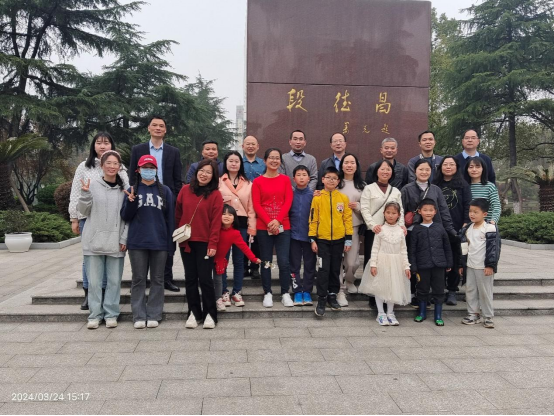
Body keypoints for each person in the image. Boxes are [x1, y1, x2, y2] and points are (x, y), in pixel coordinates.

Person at [69, 132, 129, 311]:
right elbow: (76, 193)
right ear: (93, 145)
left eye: (106, 143)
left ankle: (104, 295)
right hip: (88, 217)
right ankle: (89, 294)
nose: (102, 146)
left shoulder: (120, 168)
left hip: (112, 220)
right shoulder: (84, 166)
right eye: (99, 143)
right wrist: (74, 218)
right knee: (89, 258)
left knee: (109, 259)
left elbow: (126, 191)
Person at [128, 116, 183, 293]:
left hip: (165, 199)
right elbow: (132, 175)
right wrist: (135, 193)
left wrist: (173, 199)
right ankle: (141, 279)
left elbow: (177, 179)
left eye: (161, 126)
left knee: (167, 237)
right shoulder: (138, 149)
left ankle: (166, 278)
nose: (158, 128)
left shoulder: (173, 151)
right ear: (149, 128)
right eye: (155, 125)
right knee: (143, 237)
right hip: (143, 198)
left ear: (165, 130)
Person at [121, 155, 175, 329]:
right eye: (145, 168)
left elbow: (170, 219)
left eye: (152, 168)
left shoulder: (165, 191)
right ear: (138, 170)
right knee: (138, 279)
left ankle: (154, 314)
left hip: (159, 242)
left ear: (156, 170)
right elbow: (125, 216)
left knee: (158, 279)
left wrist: (171, 244)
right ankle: (138, 315)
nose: (149, 171)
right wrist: (130, 202)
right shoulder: (132, 190)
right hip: (137, 242)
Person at [77, 150, 128, 330]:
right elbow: (83, 211)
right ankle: (95, 315)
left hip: (116, 242)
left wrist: (124, 238)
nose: (112, 166)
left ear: (120, 167)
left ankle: (111, 314)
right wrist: (84, 194)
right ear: (102, 165)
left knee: (114, 281)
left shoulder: (124, 189)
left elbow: (128, 217)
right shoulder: (91, 185)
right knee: (95, 282)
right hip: (93, 241)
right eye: (109, 163)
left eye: (116, 163)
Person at [175, 159, 223, 329]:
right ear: (196, 172)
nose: (204, 174)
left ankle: (210, 313)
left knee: (205, 279)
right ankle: (194, 313)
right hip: (186, 242)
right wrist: (179, 233)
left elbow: (216, 222)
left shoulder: (215, 195)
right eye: (202, 171)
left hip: (205, 242)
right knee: (190, 278)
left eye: (208, 172)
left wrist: (213, 243)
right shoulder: (185, 190)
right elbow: (178, 213)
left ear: (213, 176)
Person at [401, 159, 456, 307]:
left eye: (427, 169)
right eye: (421, 169)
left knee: (430, 263)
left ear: (431, 172)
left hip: (433, 232)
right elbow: (401, 210)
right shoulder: (407, 189)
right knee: (414, 262)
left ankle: (430, 294)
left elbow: (443, 210)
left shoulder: (436, 190)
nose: (424, 172)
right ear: (415, 171)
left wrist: (449, 229)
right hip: (414, 232)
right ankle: (413, 293)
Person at [252, 148, 294, 308]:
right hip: (264, 227)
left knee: (284, 261)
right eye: (271, 158)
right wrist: (270, 221)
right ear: (265, 160)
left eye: (277, 158)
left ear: (280, 161)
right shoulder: (258, 182)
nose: (274, 161)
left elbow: (288, 201)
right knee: (266, 261)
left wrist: (277, 220)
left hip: (284, 226)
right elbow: (257, 204)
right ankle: (268, 292)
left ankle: (285, 293)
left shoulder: (285, 180)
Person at [309, 166, 353, 317]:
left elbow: (347, 219)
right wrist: (312, 239)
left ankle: (332, 295)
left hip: (339, 240)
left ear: (338, 181)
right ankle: (321, 298)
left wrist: (348, 239)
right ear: (323, 179)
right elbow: (313, 219)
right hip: (322, 240)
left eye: (334, 178)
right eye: (328, 178)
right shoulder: (317, 198)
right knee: (323, 269)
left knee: (335, 269)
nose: (331, 181)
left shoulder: (343, 198)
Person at [359, 202, 411, 326]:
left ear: (399, 215)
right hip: (381, 261)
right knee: (380, 287)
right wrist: (373, 264)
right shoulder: (380, 229)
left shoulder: (401, 231)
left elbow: (403, 250)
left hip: (396, 263)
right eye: (388, 212)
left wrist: (406, 266)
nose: (390, 215)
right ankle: (381, 313)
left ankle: (390, 313)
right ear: (384, 213)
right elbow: (375, 248)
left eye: (393, 213)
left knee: (393, 288)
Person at [218, 151, 257, 307]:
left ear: (241, 164)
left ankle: (237, 292)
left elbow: (251, 208)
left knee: (239, 260)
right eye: (230, 161)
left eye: (236, 161)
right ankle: (223, 291)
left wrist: (251, 229)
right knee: (223, 259)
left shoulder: (248, 183)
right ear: (225, 163)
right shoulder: (219, 182)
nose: (233, 164)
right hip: (223, 226)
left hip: (241, 225)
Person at [409, 198, 453, 326]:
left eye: (430, 210)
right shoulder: (416, 229)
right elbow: (412, 250)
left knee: (439, 290)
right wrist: (413, 266)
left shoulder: (440, 228)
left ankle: (438, 315)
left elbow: (447, 246)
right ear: (419, 211)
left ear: (435, 212)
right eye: (425, 210)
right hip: (422, 265)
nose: (428, 213)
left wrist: (449, 263)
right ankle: (422, 313)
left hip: (439, 265)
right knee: (422, 289)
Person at [434, 156, 471, 305]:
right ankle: (438, 290)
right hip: (438, 229)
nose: (448, 167)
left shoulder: (463, 185)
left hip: (456, 229)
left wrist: (465, 223)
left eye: (451, 164)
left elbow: (468, 205)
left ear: (456, 167)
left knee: (455, 261)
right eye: (445, 164)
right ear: (440, 167)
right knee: (439, 261)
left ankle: (452, 291)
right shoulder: (435, 184)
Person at [459, 198, 501, 328]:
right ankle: (473, 314)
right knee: (470, 290)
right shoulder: (467, 228)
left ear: (484, 214)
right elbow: (464, 248)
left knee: (485, 292)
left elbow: (494, 249)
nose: (472, 214)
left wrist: (490, 265)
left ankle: (488, 317)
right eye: (470, 211)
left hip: (483, 267)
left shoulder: (489, 228)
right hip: (470, 265)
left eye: (476, 212)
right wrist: (461, 264)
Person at [214, 205, 261, 311]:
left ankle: (235, 293)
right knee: (216, 280)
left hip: (219, 261)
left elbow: (244, 247)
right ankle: (222, 294)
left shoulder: (235, 233)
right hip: (211, 258)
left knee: (236, 263)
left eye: (230, 215)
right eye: (223, 214)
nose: (226, 216)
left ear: (234, 218)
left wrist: (254, 259)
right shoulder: (215, 229)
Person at [361, 160, 405, 269]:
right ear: (376, 171)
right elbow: (364, 209)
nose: (385, 171)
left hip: (391, 231)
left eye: (388, 169)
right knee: (371, 260)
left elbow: (400, 210)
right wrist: (373, 225)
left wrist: (401, 225)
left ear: (392, 172)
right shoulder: (368, 188)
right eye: (382, 169)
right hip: (374, 231)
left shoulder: (395, 191)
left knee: (388, 261)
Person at [336, 153, 366, 307]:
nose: (349, 165)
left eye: (352, 162)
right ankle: (340, 289)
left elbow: (367, 207)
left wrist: (358, 207)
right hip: (336, 226)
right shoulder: (336, 182)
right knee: (337, 259)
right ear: (341, 165)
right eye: (346, 162)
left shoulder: (362, 185)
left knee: (352, 261)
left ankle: (349, 280)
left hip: (353, 226)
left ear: (356, 166)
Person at [289, 165, 316, 306]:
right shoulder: (290, 195)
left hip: (309, 236)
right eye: (298, 175)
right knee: (294, 265)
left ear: (309, 178)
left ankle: (307, 291)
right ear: (294, 179)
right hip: (293, 236)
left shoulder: (313, 196)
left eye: (304, 175)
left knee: (310, 265)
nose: (301, 177)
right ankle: (297, 291)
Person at [241, 135, 265, 280]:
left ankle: (256, 267)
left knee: (257, 238)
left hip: (259, 204)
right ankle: (244, 266)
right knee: (243, 237)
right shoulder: (238, 163)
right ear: (243, 146)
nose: (250, 146)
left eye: (253, 144)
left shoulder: (263, 164)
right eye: (247, 144)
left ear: (258, 146)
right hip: (242, 205)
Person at [465, 157, 501, 224]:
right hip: (468, 226)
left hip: (486, 225)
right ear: (467, 169)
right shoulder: (464, 187)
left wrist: (493, 222)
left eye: (478, 167)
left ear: (483, 169)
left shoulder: (490, 186)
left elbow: (496, 207)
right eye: (471, 167)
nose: (474, 169)